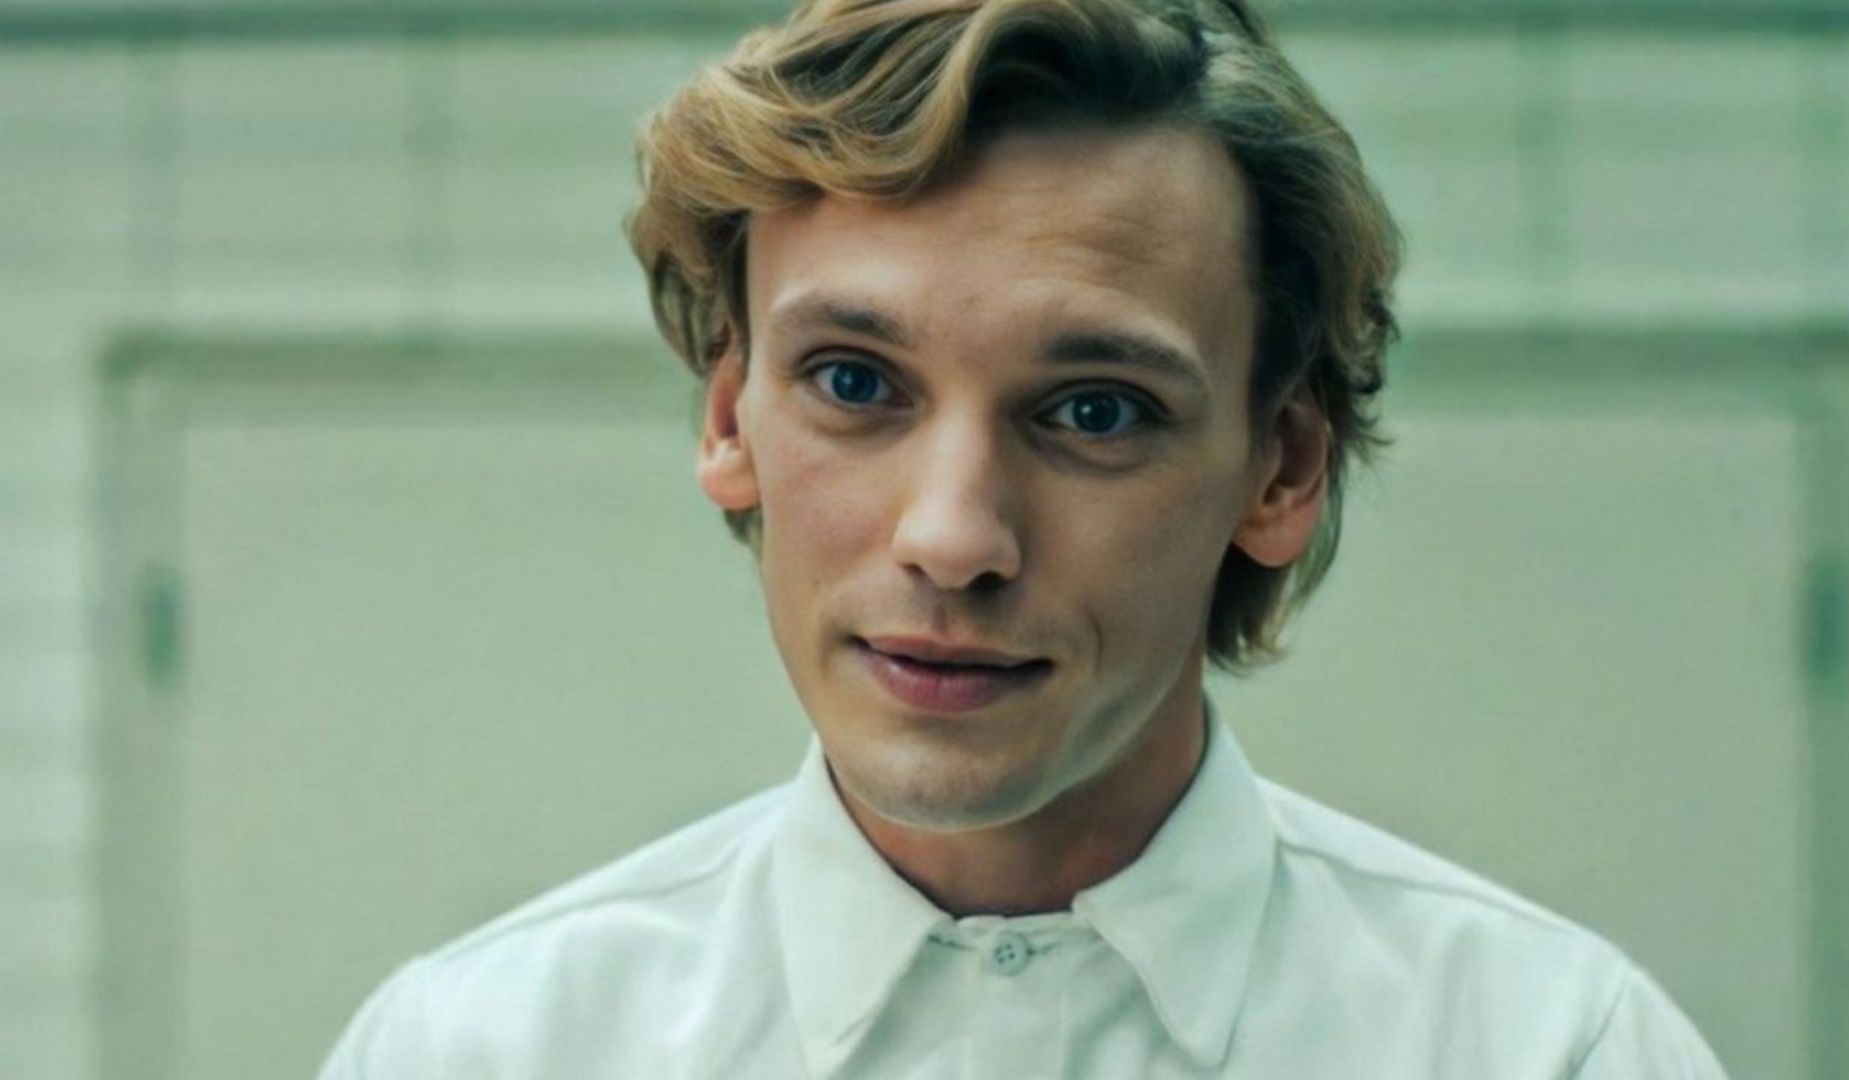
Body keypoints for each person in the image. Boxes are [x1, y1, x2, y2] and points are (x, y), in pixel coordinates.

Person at [322, 0, 1728, 1075]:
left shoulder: (1546, 1047)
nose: (953, 539)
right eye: (855, 383)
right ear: (730, 420)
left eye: (1095, 410)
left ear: (1282, 466)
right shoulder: (490, 1050)